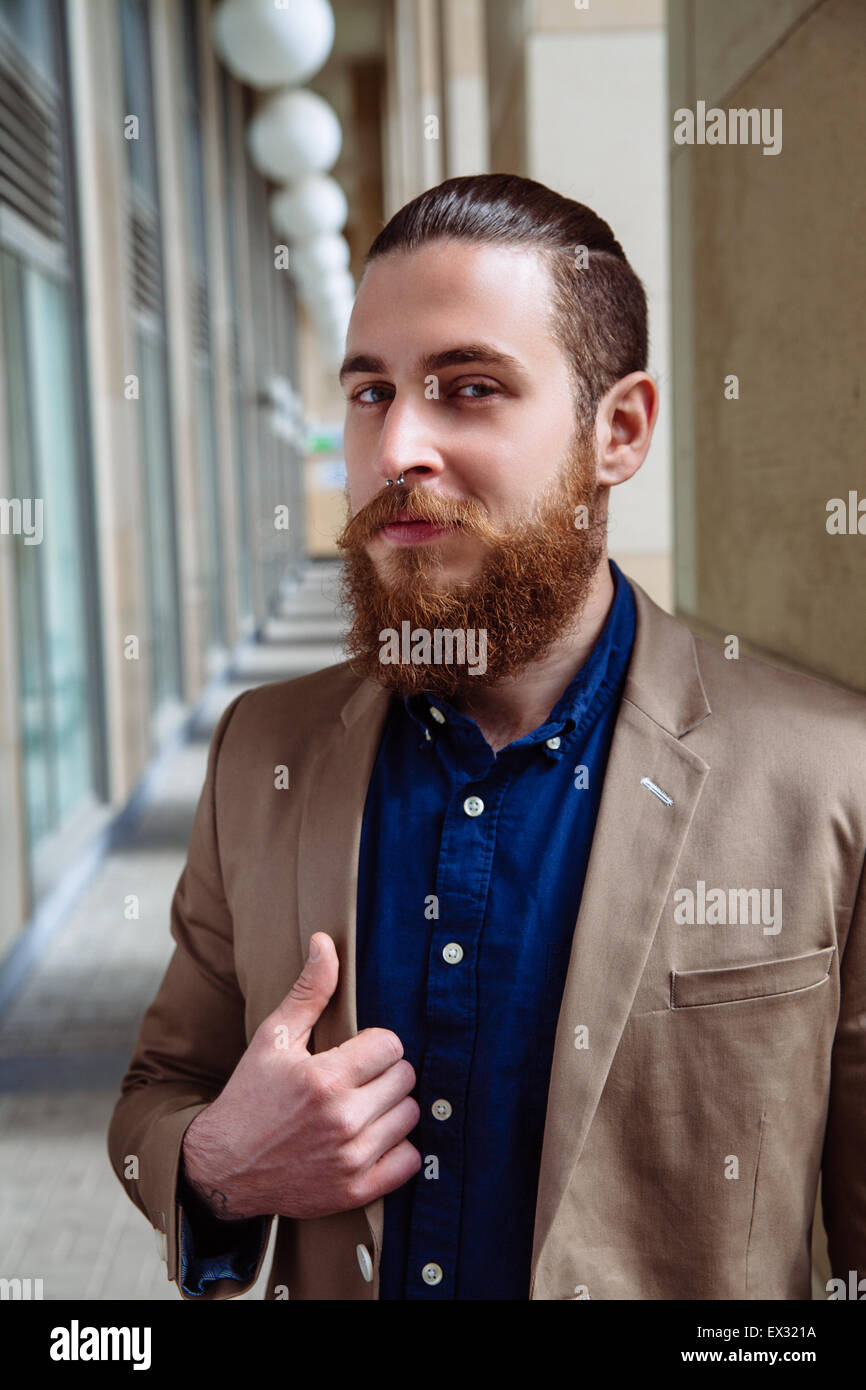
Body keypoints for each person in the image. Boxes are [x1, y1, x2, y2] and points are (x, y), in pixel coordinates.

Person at [108, 173, 866, 1300]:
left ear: (618, 430)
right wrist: (218, 1166)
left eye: (466, 388)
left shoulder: (825, 775)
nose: (396, 446)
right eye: (370, 393)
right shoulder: (262, 749)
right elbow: (163, 1085)